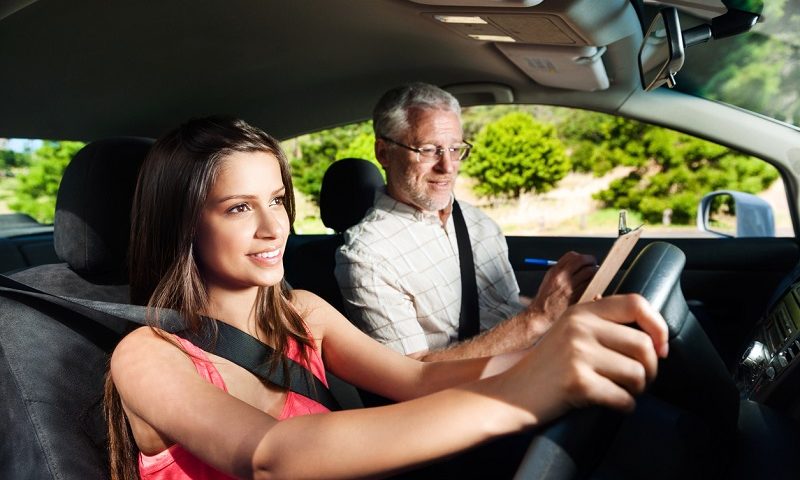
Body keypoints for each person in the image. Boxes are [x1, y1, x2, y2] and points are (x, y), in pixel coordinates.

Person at [105, 115, 668, 479]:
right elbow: (271, 457)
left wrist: (558, 354)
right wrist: (520, 392)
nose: (274, 228)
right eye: (238, 208)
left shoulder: (303, 313)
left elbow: (417, 379)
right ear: (183, 227)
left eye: (276, 200)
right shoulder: (148, 355)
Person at [335, 82, 597, 361]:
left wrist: (563, 306)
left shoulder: (478, 222)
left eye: (455, 149)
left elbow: (501, 309)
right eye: (428, 150)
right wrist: (537, 318)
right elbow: (413, 374)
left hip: (542, 362)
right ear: (384, 153)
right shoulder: (367, 257)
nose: (447, 167)